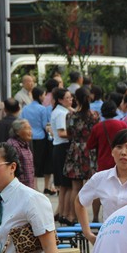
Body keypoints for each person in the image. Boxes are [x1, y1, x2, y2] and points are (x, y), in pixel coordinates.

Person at [76, 129, 127, 243]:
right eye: (119, 147)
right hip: (109, 241)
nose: (123, 152)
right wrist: (88, 234)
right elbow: (79, 201)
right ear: (112, 151)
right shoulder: (100, 178)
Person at [63, 87, 101, 224]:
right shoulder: (95, 115)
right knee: (96, 186)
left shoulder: (70, 116)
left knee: (76, 188)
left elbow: (69, 134)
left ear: (76, 99)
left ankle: (74, 217)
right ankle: (95, 218)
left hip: (76, 151)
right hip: (91, 151)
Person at [21, 86, 54, 194]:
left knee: (30, 161)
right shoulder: (42, 109)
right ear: (40, 96)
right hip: (40, 138)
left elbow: (21, 121)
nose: (45, 97)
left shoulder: (25, 108)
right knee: (40, 162)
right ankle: (44, 186)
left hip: (28, 137)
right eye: (44, 95)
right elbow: (45, 124)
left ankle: (33, 185)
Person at [49, 88, 73, 223]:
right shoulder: (61, 113)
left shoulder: (62, 111)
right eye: (67, 98)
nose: (70, 100)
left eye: (71, 97)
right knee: (67, 185)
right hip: (62, 148)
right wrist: (77, 134)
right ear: (60, 100)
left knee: (64, 185)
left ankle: (61, 212)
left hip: (60, 148)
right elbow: (61, 133)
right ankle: (65, 214)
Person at [5, 119, 36, 189]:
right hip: (18, 187)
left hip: (28, 186)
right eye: (27, 129)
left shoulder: (25, 144)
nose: (30, 132)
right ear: (17, 132)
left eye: (30, 128)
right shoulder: (13, 145)